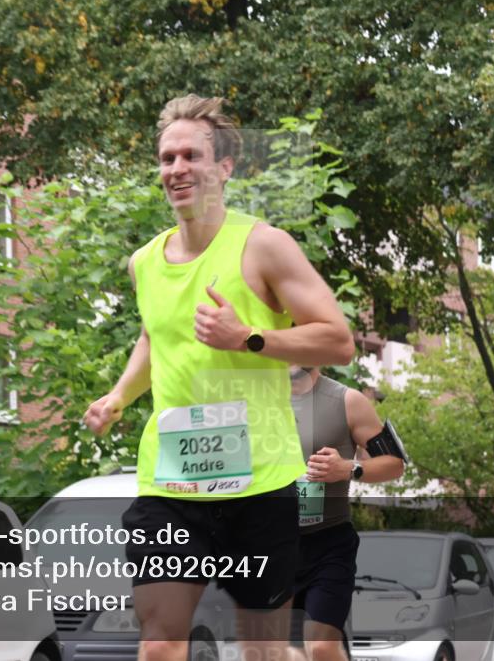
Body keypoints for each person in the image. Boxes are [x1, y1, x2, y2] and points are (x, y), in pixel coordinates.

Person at [83, 95, 355, 661]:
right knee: (160, 642)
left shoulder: (265, 247)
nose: (176, 168)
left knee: (263, 652)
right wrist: (119, 395)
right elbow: (157, 335)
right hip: (173, 483)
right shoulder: (144, 263)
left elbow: (338, 340)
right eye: (166, 158)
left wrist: (250, 338)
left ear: (224, 167)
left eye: (190, 155)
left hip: (259, 483)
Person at [289, 365, 405, 661]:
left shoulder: (347, 401)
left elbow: (394, 463)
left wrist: (347, 468)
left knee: (321, 646)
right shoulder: (253, 399)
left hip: (327, 544)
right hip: (271, 545)